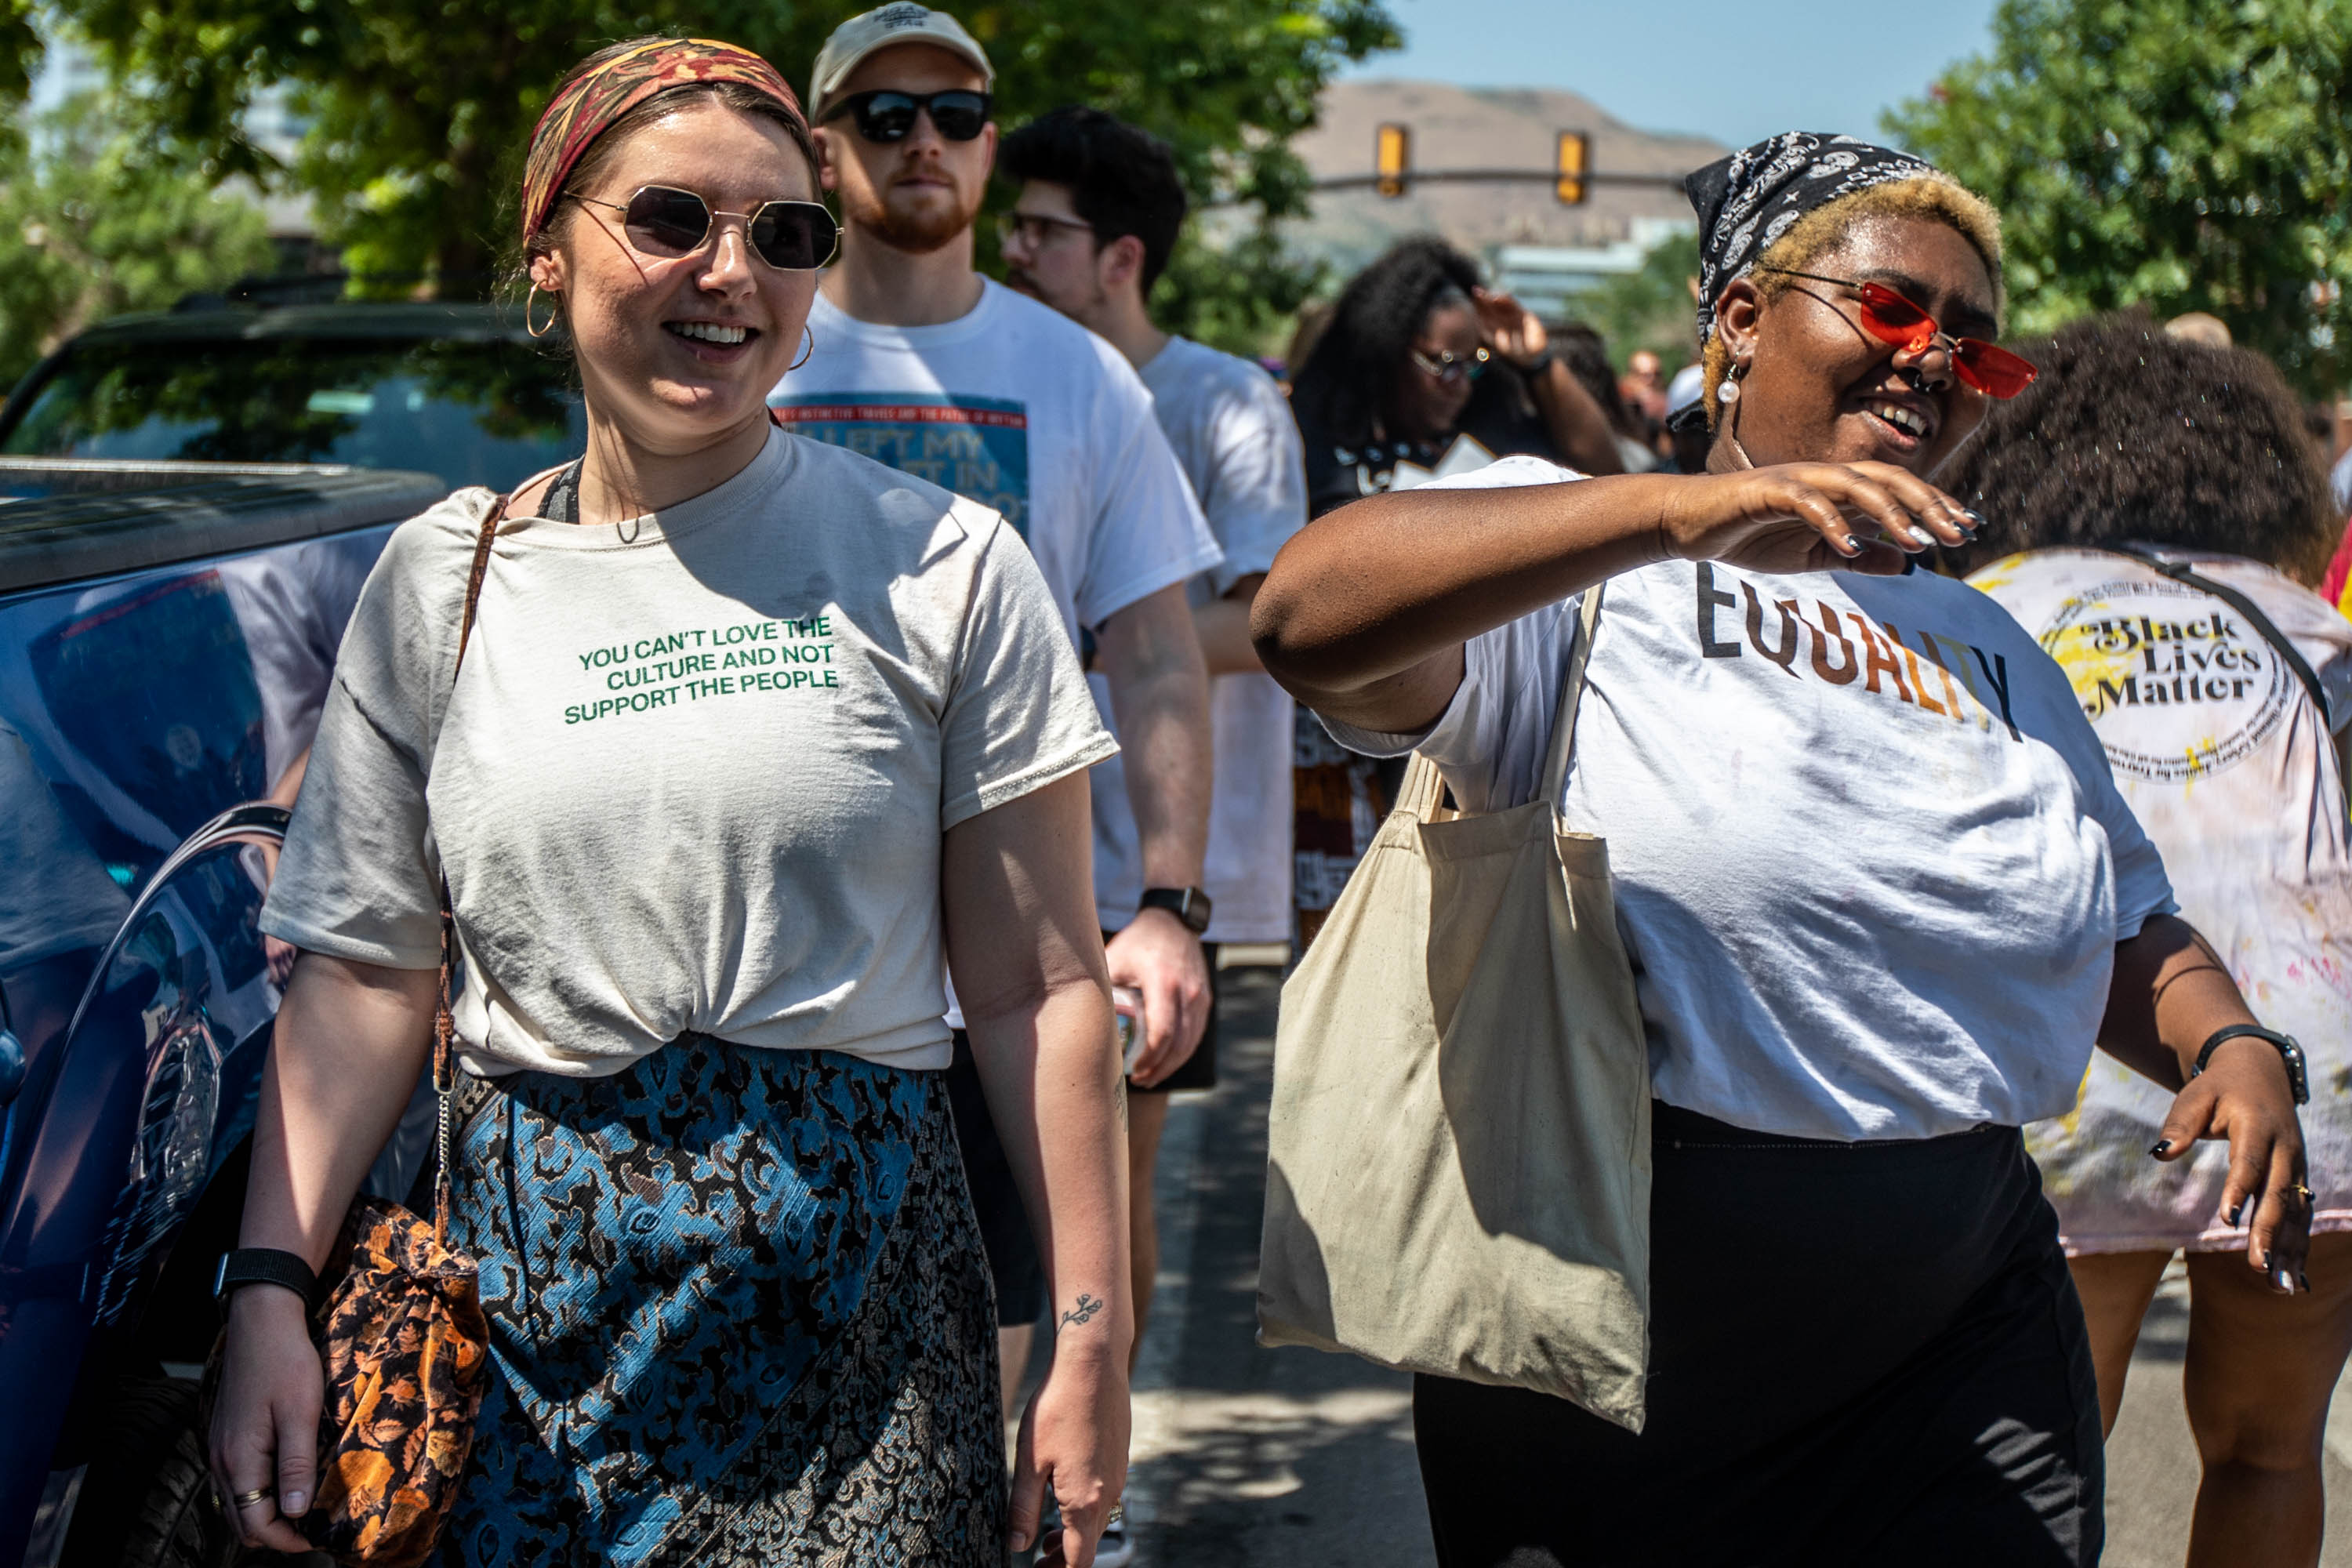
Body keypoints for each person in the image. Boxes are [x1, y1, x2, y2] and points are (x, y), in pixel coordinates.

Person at [1250, 131, 2314, 1566]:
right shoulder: (1584, 564)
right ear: (1740, 318)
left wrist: (2227, 1041)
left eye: (1978, 348)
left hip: (1968, 1313)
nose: (1935, 358)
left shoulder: (1993, 643)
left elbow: (2123, 914)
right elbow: (1305, 620)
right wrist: (1680, 513)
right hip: (1618, 1317)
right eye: (1891, 310)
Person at [205, 38, 1131, 1568]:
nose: (731, 271)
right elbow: (367, 976)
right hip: (524, 1341)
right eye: (670, 218)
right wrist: (265, 1292)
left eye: (784, 233)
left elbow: (1042, 987)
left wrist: (1088, 1340)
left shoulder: (950, 567)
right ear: (548, 255)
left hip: (867, 1341)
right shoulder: (444, 580)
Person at [769, 3, 1221, 1446]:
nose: (926, 143)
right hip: (785, 962)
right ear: (825, 148)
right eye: (886, 116)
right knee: (799, 1372)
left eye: (957, 116)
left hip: (1019, 963)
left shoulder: (1081, 375)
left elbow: (1156, 657)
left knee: (1028, 1342)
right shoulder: (750, 349)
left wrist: (1165, 901)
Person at [1952, 315, 2351, 1568]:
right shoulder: (2313, 623)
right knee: (2271, 1450)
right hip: (2313, 1073)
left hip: (2078, 1082)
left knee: (2037, 1465)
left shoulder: (1986, 613)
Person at [995, 101, 1309, 1566]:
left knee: (1107, 1188)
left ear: (1119, 256)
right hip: (998, 859)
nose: (1017, 250)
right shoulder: (1014, 385)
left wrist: (1110, 630)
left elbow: (1274, 618)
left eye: (1044, 231)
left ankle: (1090, 1498)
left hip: (1151, 874)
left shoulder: (1225, 405)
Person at [1288, 236, 1622, 517]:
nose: (1460, 385)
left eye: (1472, 363)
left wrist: (1538, 363)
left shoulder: (1490, 426)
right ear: (1388, 353)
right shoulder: (1322, 444)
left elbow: (1604, 478)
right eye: (1443, 363)